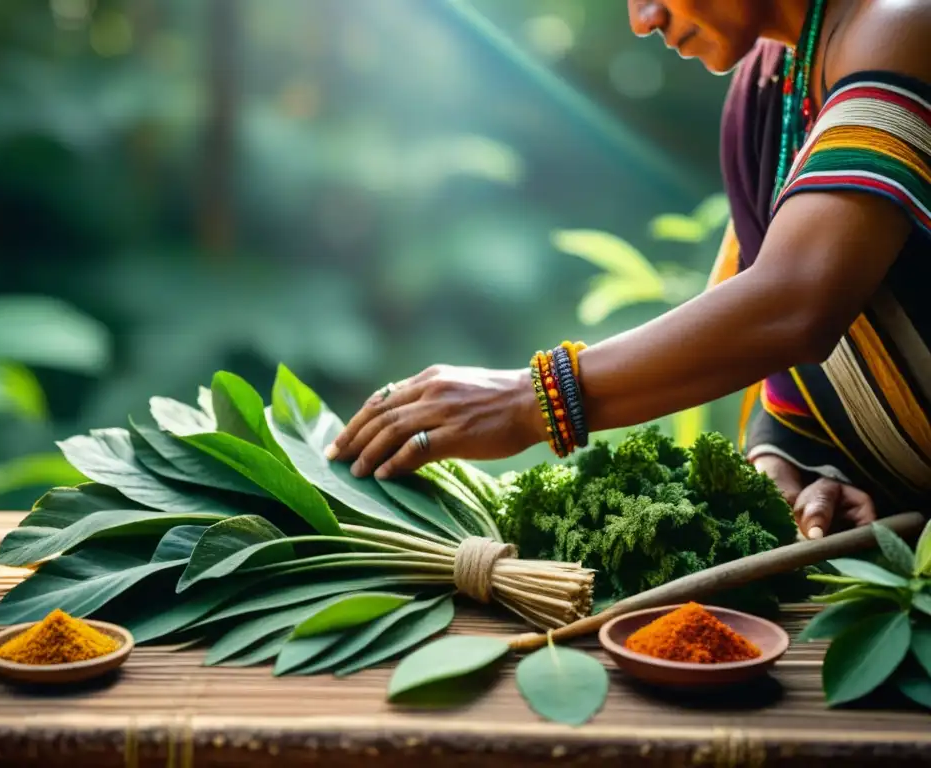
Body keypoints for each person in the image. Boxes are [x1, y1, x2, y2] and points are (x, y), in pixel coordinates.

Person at [325, 0, 931, 541]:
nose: (644, 19)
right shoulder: (769, 88)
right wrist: (796, 464)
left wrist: (528, 401)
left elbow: (797, 302)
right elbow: (797, 363)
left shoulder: (904, 24)